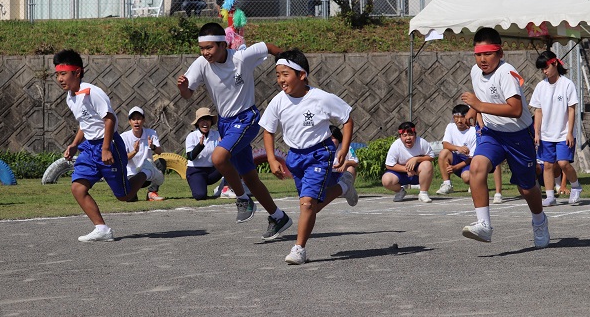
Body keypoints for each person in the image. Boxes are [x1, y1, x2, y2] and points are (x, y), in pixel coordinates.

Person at [177, 22, 293, 241]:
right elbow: (187, 94)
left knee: (218, 157)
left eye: (209, 47)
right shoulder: (201, 64)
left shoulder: (241, 58)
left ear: (223, 45)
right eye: (202, 48)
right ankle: (278, 217)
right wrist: (183, 88)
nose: (205, 53)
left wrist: (286, 61)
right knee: (250, 177)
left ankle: (242, 198)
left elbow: (267, 46)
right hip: (226, 124)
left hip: (246, 118)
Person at [259, 49, 357, 265]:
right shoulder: (278, 101)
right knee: (311, 205)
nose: (280, 80)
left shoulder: (320, 98)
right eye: (277, 75)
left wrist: (343, 148)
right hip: (295, 158)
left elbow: (347, 119)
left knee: (307, 204)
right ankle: (344, 186)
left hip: (320, 154)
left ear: (301, 75)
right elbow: (268, 130)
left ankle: (299, 249)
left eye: (285, 74)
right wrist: (272, 158)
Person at [460, 27, 549, 248]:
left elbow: (516, 109)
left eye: (488, 54)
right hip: (493, 134)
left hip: (519, 136)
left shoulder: (507, 73)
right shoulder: (474, 72)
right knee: (476, 168)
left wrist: (478, 105)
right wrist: (474, 111)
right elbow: (482, 98)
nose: (482, 59)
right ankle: (484, 225)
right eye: (478, 54)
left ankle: (540, 221)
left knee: (526, 187)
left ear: (500, 53)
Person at [53, 49, 147, 242]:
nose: (59, 79)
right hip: (89, 147)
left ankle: (147, 172)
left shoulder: (92, 93)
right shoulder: (70, 97)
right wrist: (74, 144)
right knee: (78, 188)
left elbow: (110, 119)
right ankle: (102, 229)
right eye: (57, 75)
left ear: (77, 72)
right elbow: (85, 124)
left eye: (63, 74)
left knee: (124, 195)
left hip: (109, 143)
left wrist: (105, 149)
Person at [530, 50, 583, 207]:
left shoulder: (567, 84)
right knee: (547, 165)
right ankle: (550, 196)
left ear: (554, 64)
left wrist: (570, 133)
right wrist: (537, 132)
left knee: (563, 164)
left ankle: (576, 187)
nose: (544, 71)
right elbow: (538, 111)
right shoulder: (541, 86)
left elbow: (572, 110)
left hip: (563, 134)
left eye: (546, 67)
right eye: (542, 69)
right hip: (546, 134)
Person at [381, 122, 435, 203]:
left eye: (411, 134)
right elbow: (389, 165)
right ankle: (400, 191)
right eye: (405, 135)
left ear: (415, 135)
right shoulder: (396, 145)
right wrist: (406, 169)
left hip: (417, 173)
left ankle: (423, 193)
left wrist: (416, 159)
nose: (408, 138)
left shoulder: (422, 142)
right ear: (400, 137)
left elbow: (431, 156)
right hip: (400, 173)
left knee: (427, 164)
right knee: (386, 180)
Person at [120, 106, 166, 201]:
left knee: (161, 162)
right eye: (134, 119)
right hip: (131, 174)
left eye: (139, 118)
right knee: (131, 199)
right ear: (130, 122)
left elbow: (159, 152)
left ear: (143, 120)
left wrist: (152, 146)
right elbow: (122, 158)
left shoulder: (151, 133)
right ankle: (133, 192)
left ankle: (151, 192)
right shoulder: (124, 137)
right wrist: (134, 151)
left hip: (148, 173)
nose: (136, 122)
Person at [436, 104, 476, 196]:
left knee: (466, 178)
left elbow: (472, 158)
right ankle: (447, 184)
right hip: (457, 157)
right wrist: (458, 148)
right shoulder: (451, 126)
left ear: (468, 117)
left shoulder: (473, 131)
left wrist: (455, 167)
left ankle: (474, 183)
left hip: (470, 162)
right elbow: (445, 144)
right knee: (444, 153)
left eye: (462, 117)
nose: (458, 120)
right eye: (456, 117)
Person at [185, 107, 224, 200]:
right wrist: (200, 146)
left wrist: (223, 145)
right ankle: (201, 184)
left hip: (212, 170)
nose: (205, 123)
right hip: (196, 171)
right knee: (200, 196)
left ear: (211, 122)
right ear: (197, 122)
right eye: (202, 120)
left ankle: (226, 187)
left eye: (207, 120)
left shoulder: (217, 134)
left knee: (233, 162)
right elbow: (190, 157)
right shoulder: (192, 136)